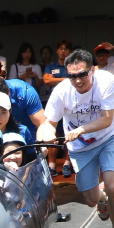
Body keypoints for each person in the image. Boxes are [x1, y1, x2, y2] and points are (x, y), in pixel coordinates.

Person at [38, 49, 114, 228]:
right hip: (80, 146)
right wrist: (47, 136)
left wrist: (79, 130)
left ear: (92, 70)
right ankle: (101, 198)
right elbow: (48, 123)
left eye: (82, 75)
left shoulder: (107, 82)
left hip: (109, 135)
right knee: (90, 199)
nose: (78, 80)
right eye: (72, 76)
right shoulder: (61, 91)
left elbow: (107, 119)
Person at [0, 72, 45, 141]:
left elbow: (42, 123)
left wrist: (40, 145)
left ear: (8, 92)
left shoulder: (25, 92)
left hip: (27, 134)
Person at [43, 39, 73, 177]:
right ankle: (51, 166)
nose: (63, 51)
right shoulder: (50, 66)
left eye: (66, 49)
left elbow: (74, 79)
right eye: (60, 48)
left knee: (69, 135)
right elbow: (47, 81)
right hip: (54, 105)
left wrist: (56, 79)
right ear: (57, 51)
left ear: (70, 52)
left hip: (70, 105)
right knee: (53, 136)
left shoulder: (72, 67)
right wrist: (67, 79)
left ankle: (67, 164)